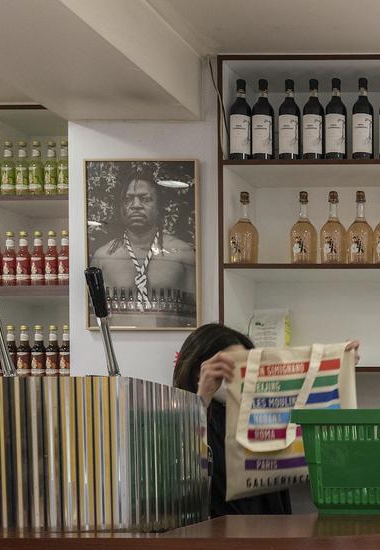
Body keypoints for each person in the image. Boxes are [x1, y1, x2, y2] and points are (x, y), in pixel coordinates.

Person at [172, 324, 291, 518]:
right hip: (214, 539)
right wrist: (202, 398)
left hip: (271, 537)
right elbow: (180, 475)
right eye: (229, 366)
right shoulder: (185, 421)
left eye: (247, 366)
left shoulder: (263, 419)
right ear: (198, 370)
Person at [91, 167, 195, 321]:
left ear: (158, 207)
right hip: (117, 344)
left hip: (170, 344)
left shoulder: (183, 253)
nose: (136, 205)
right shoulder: (103, 257)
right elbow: (93, 318)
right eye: (128, 199)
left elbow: (195, 317)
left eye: (145, 199)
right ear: (121, 209)